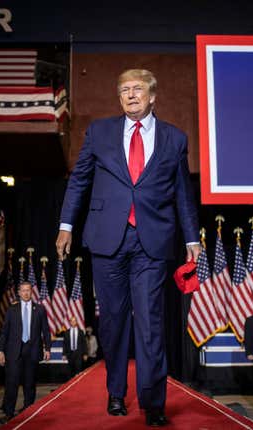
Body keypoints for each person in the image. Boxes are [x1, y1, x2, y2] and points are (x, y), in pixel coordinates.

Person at [56, 68, 200, 427]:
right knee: (114, 322)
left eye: (137, 89)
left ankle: (153, 403)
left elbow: (183, 192)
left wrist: (191, 237)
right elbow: (79, 181)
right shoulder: (99, 132)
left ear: (153, 96)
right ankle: (116, 392)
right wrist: (65, 226)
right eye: (124, 90)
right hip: (107, 239)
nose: (131, 95)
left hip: (152, 241)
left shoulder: (174, 138)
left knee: (151, 321)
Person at [0, 281, 51, 424]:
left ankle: (28, 412)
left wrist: (47, 348)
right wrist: (1, 350)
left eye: (28, 290)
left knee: (30, 383)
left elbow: (45, 330)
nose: (26, 293)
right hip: (14, 352)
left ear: (31, 292)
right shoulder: (11, 309)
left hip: (32, 351)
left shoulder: (39, 309)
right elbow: (5, 332)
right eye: (23, 291)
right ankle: (9, 413)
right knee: (11, 383)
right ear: (19, 293)